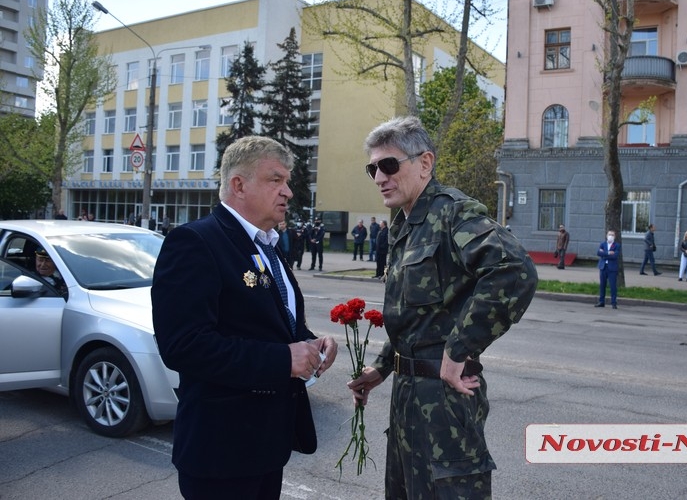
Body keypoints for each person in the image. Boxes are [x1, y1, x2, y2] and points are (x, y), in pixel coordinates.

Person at [347, 116, 537, 498]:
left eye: (388, 165)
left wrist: (459, 349)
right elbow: (417, 315)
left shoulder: (451, 212)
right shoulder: (405, 225)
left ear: (425, 163)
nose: (379, 177)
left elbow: (514, 270)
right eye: (373, 168)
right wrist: (382, 368)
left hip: (445, 398)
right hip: (407, 396)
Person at [151, 136, 338, 499]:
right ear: (239, 184)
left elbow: (276, 323)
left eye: (287, 182)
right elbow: (183, 346)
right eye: (275, 180)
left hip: (267, 445)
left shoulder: (266, 245)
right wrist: (284, 359)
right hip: (221, 451)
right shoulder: (195, 242)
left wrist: (312, 341)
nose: (288, 192)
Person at [595, 230, 620, 309]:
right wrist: (609, 253)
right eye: (609, 234)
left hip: (612, 268)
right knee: (602, 285)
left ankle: (613, 302)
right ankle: (601, 301)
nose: (610, 236)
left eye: (612, 235)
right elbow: (599, 253)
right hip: (603, 267)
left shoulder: (617, 245)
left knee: (613, 286)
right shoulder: (603, 244)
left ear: (615, 237)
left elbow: (615, 256)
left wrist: (604, 254)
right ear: (606, 235)